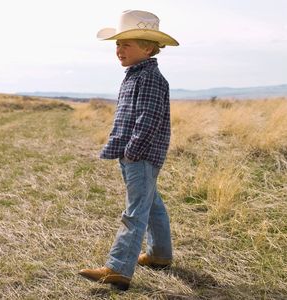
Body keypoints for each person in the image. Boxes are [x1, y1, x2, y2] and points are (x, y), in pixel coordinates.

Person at [78, 10, 179, 291]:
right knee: (152, 205)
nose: (119, 50)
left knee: (135, 211)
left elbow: (147, 118)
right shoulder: (136, 75)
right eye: (117, 45)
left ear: (148, 48)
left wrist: (132, 151)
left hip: (141, 155)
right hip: (136, 154)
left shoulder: (149, 78)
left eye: (126, 45)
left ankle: (118, 269)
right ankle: (160, 255)